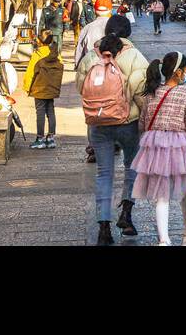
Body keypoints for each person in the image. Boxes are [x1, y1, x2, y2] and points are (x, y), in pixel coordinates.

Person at [76, 18, 149, 246]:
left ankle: (103, 227)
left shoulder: (91, 57)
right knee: (131, 166)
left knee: (104, 173)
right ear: (128, 33)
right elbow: (141, 91)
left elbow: (81, 87)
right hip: (128, 122)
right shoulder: (135, 56)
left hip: (98, 123)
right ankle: (126, 216)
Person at [132, 51, 186, 246]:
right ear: (178, 72)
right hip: (181, 150)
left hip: (156, 148)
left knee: (161, 196)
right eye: (185, 70)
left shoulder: (152, 92)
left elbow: (142, 124)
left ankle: (164, 240)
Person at [23, 29, 64, 149]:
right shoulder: (56, 55)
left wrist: (27, 88)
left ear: (40, 41)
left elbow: (30, 73)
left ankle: (40, 138)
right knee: (50, 111)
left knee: (40, 112)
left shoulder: (37, 55)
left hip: (39, 88)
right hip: (51, 89)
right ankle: (51, 138)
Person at [74, 0, 114, 66]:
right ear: (110, 10)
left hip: (91, 69)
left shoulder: (87, 29)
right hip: (111, 71)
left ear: (95, 10)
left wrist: (78, 68)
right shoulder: (116, 27)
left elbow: (79, 52)